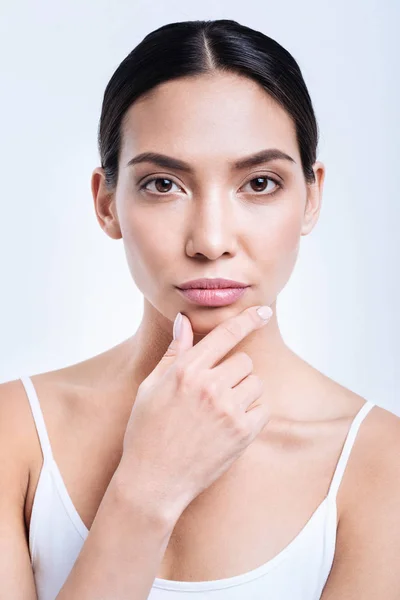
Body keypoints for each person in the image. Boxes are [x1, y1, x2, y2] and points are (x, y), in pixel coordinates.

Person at [1, 18, 399, 600]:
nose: (211, 240)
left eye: (259, 183)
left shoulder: (378, 464)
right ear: (107, 203)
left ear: (311, 197)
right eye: (163, 184)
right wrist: (145, 489)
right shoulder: (14, 434)